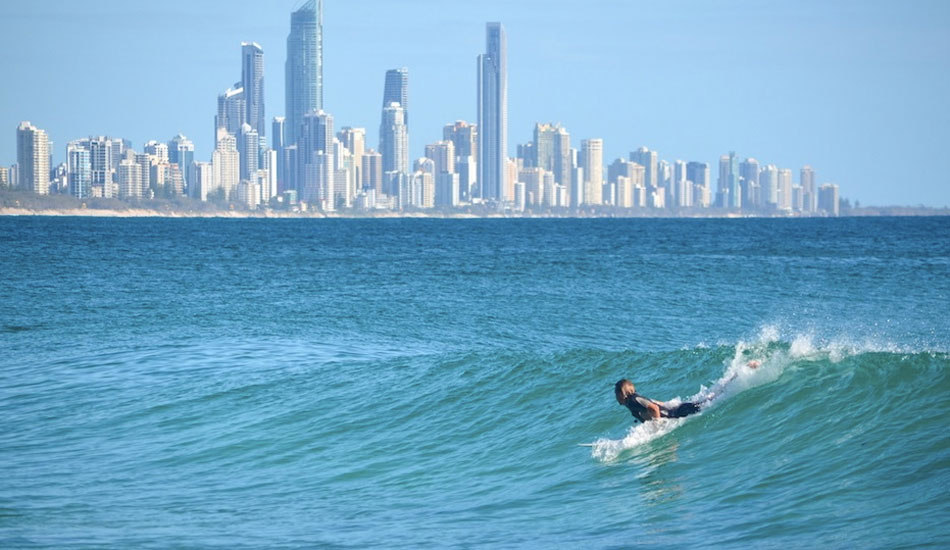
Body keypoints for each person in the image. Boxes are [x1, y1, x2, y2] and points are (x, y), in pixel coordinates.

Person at [615, 360, 760, 423]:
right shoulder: (633, 401)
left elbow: (653, 407)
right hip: (677, 410)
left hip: (680, 412)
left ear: (622, 393)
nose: (616, 397)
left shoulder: (633, 400)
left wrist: (658, 424)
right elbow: (654, 403)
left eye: (616, 394)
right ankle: (738, 372)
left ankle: (741, 372)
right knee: (713, 395)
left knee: (714, 397)